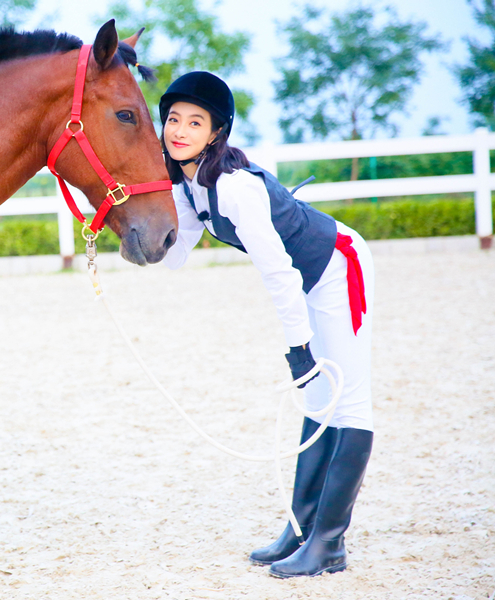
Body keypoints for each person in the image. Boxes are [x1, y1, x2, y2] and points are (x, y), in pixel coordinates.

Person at [159, 71, 375, 578]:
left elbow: (278, 271)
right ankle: (301, 530)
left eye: (195, 121)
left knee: (349, 399)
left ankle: (329, 543)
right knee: (319, 401)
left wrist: (298, 348)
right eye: (172, 119)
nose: (180, 130)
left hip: (336, 267)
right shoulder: (189, 187)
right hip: (308, 278)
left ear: (216, 134)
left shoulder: (232, 186)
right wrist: (124, 220)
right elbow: (172, 257)